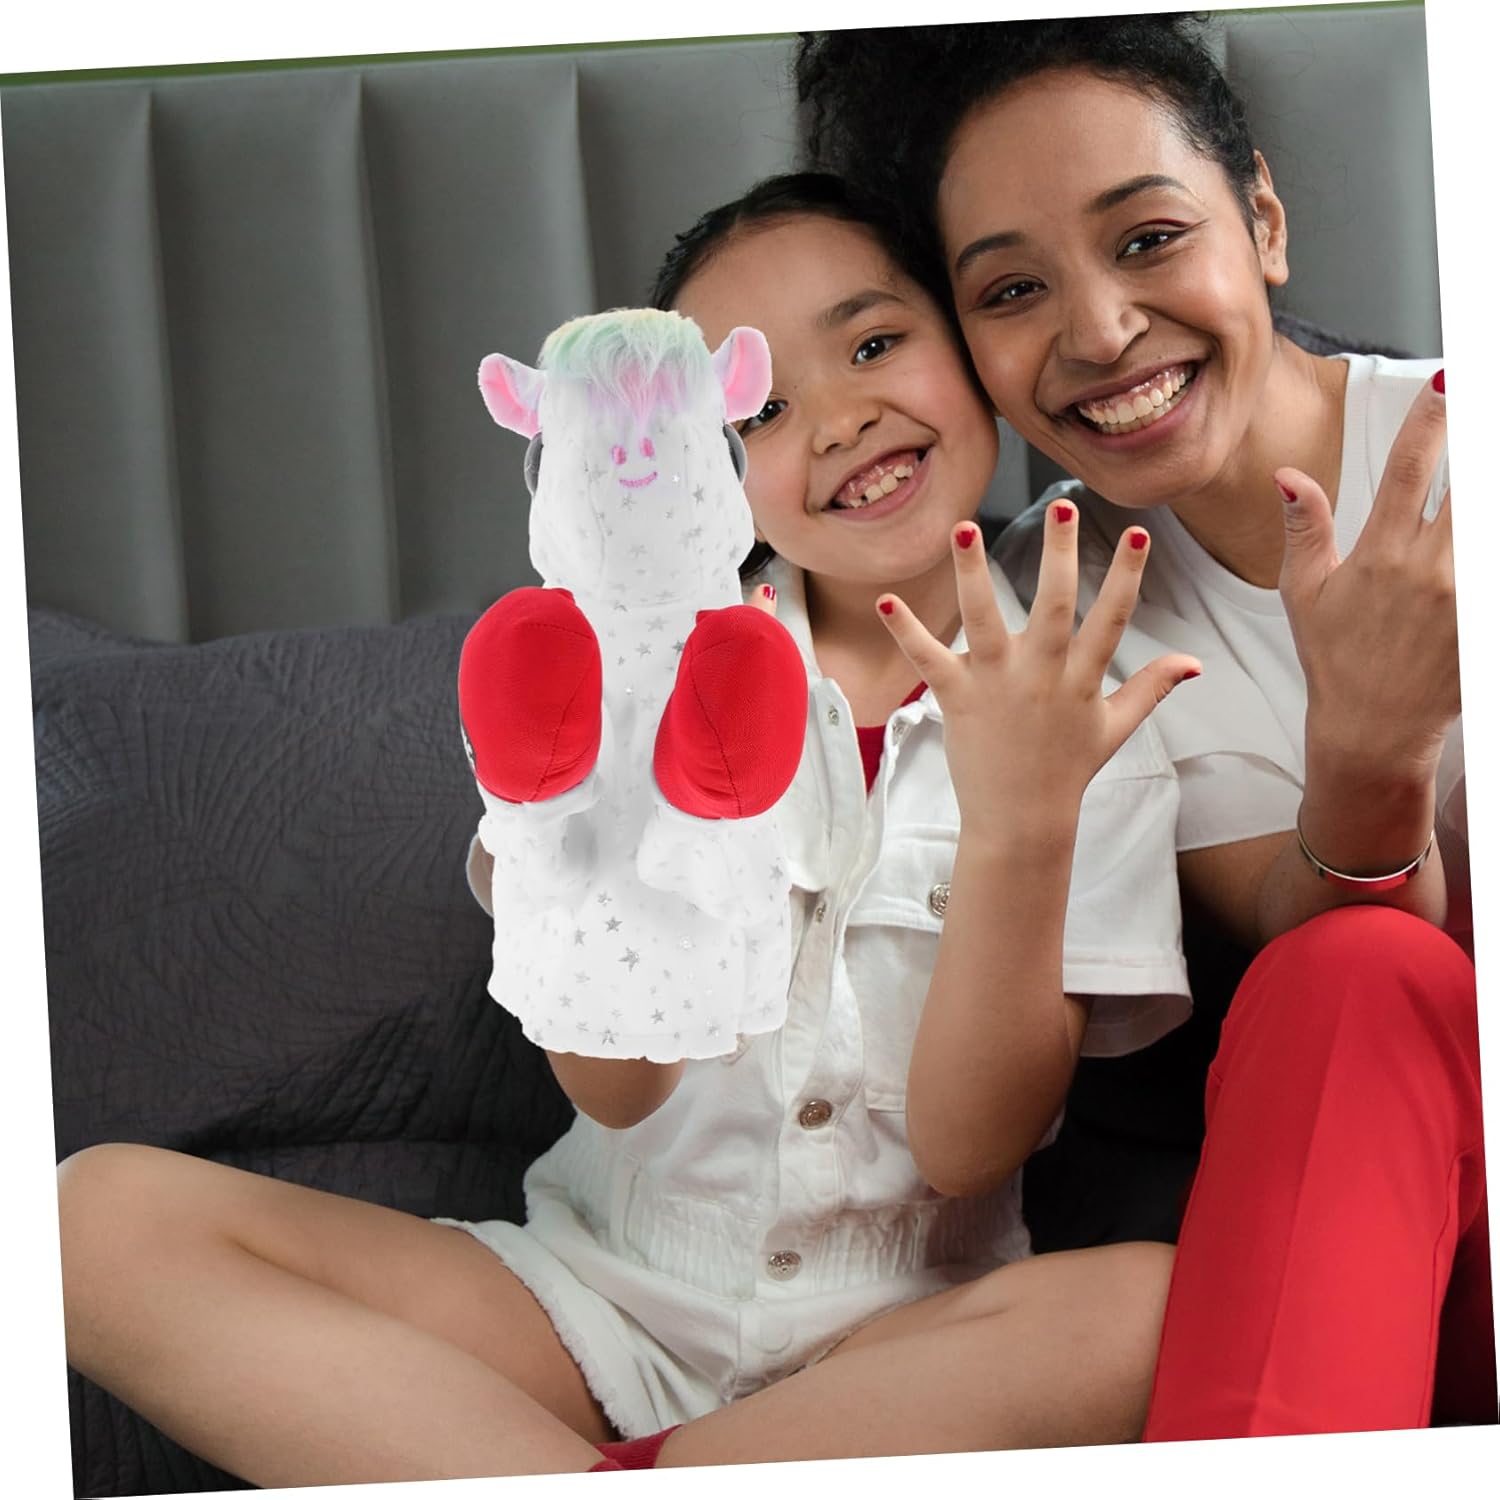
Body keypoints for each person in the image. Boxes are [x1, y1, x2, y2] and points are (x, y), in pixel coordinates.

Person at [53, 171, 1203, 1485]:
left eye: (875, 344)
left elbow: (968, 1150)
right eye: (759, 410)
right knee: (94, 1218)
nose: (839, 421)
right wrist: (592, 805)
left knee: (1149, 1309)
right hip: (591, 1302)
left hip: (905, 1338)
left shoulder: (1094, 701)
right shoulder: (601, 677)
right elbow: (616, 1088)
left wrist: (1020, 827)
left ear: (971, 349)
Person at [795, 13, 1492, 1438]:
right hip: (1417, 1222)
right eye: (1012, 290)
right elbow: (1344, 961)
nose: (1101, 333)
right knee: (1350, 969)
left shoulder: (1450, 441)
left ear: (1263, 223)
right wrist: (1369, 752)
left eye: (1150, 239)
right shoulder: (1061, 621)